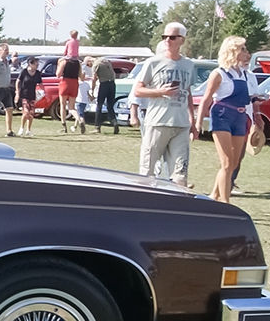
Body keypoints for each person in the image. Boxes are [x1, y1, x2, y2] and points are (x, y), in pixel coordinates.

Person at [132, 22, 196, 186]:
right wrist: (160, 92)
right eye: (165, 37)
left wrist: (193, 122)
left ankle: (177, 207)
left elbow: (188, 92)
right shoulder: (153, 62)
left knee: (180, 173)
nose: (168, 40)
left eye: (172, 37)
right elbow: (138, 90)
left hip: (181, 125)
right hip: (157, 122)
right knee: (148, 172)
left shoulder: (189, 65)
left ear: (181, 40)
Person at [194, 36, 256, 203]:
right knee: (227, 162)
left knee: (234, 163)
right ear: (233, 51)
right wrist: (198, 122)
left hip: (239, 117)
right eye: (242, 49)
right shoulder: (219, 73)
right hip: (222, 115)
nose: (246, 52)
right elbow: (206, 99)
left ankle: (214, 195)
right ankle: (225, 202)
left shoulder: (244, 73)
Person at [14, 56, 42, 137]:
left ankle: (28, 130)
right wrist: (17, 92)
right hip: (24, 95)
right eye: (35, 63)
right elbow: (18, 81)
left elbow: (40, 83)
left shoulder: (37, 73)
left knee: (31, 113)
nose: (37, 65)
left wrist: (42, 91)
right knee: (26, 112)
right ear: (30, 64)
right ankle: (21, 128)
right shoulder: (24, 72)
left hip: (32, 95)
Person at [57, 51, 83, 132]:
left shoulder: (64, 62)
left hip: (65, 82)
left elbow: (58, 74)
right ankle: (79, 120)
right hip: (74, 83)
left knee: (63, 105)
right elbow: (80, 76)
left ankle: (64, 125)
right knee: (72, 107)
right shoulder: (78, 63)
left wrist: (59, 65)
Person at [93, 57, 118, 134]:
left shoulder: (96, 64)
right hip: (112, 84)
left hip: (104, 84)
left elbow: (94, 78)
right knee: (110, 106)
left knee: (99, 105)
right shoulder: (107, 62)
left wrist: (92, 89)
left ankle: (97, 127)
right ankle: (115, 122)